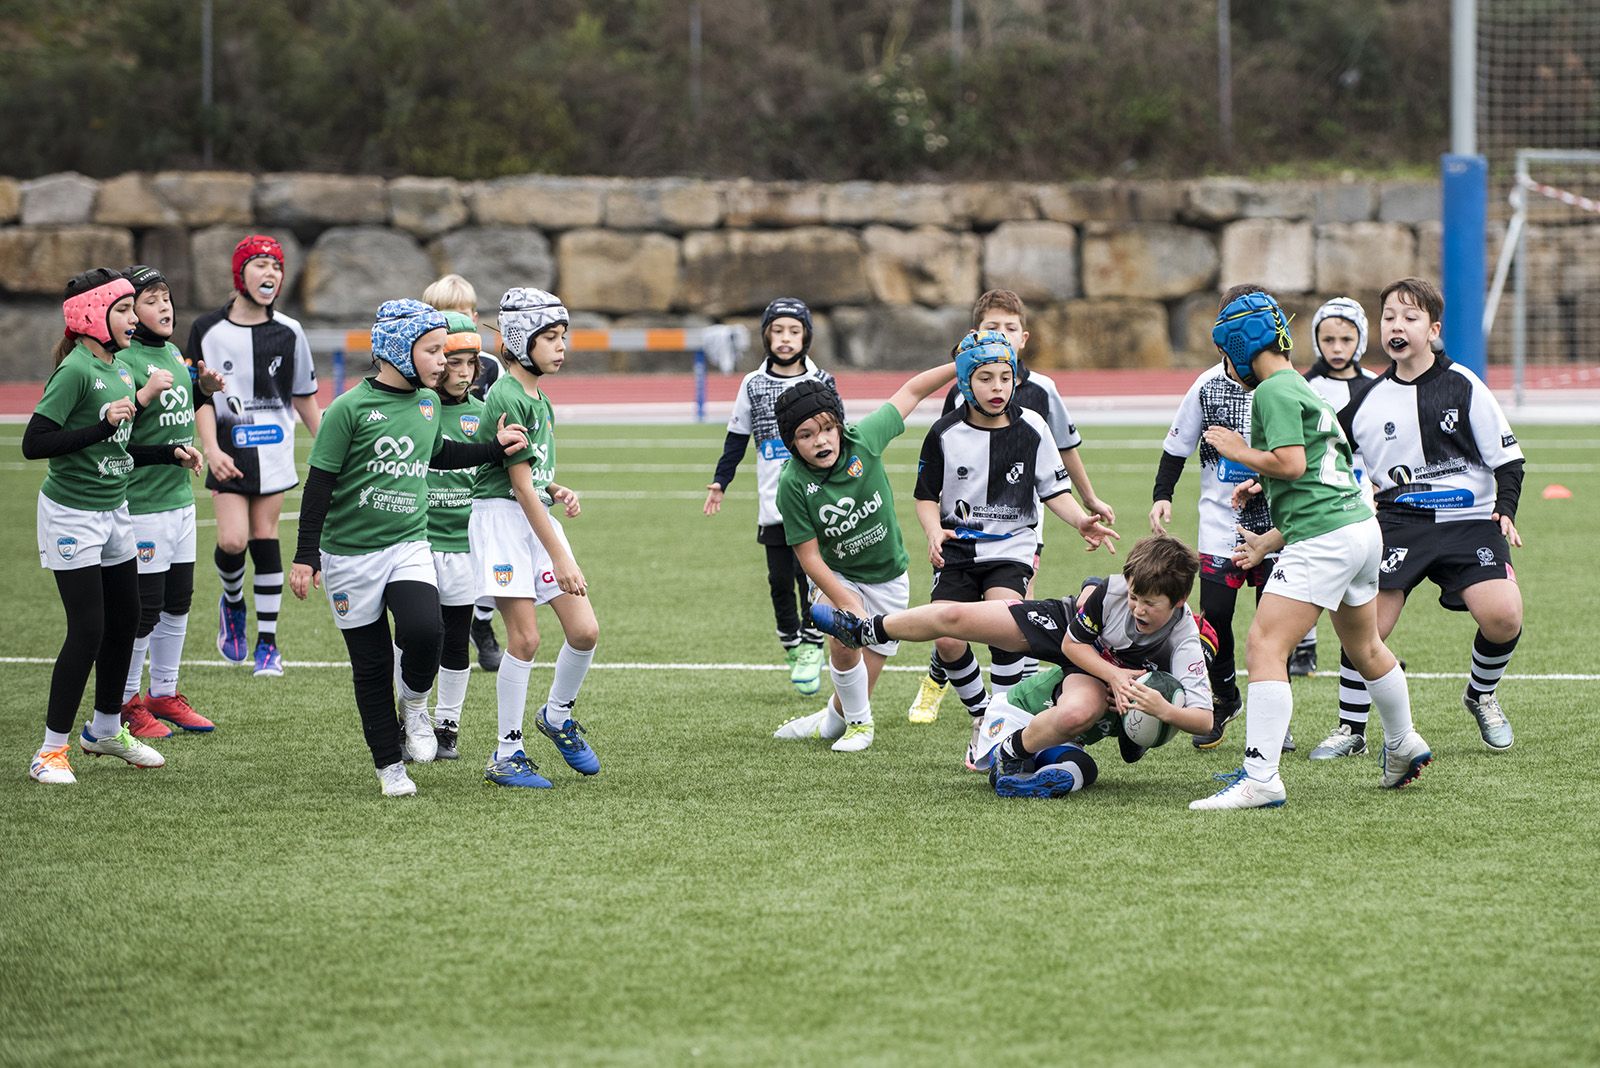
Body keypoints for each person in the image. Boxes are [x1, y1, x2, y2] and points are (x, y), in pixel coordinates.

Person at [1189, 287, 1431, 810]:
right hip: (1359, 530)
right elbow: (1319, 474)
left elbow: (1293, 465)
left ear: (1239, 346)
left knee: (1264, 646)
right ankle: (1403, 741)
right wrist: (1269, 538)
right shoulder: (1301, 385)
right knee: (1365, 648)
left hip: (1326, 539)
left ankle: (1261, 778)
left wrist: (1239, 452)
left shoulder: (1272, 391)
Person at [289, 300, 526, 796]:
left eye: (445, 351)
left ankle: (415, 708)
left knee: (426, 628)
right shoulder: (348, 409)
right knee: (371, 665)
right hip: (348, 556)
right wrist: (306, 555)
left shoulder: (428, 403)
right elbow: (318, 487)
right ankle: (388, 767)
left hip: (407, 543)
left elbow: (437, 451)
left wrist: (492, 446)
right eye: (433, 351)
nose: (444, 362)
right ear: (398, 350)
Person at [810, 533, 1188, 798]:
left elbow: (1206, 711)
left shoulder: (1184, 637)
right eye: (1134, 595)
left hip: (1091, 675)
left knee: (1081, 725)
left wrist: (1154, 710)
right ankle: (865, 630)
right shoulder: (1110, 593)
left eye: (1149, 603)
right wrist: (1113, 671)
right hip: (1071, 631)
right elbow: (1077, 637)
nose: (1137, 606)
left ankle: (1024, 752)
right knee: (954, 617)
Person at [1325, 277, 1525, 757]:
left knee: (1503, 615)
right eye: (1389, 317)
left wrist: (1505, 509)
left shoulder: (1465, 385)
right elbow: (1324, 456)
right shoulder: (1365, 401)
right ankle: (1351, 730)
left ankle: (1481, 695)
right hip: (1399, 522)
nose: (1397, 326)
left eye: (1410, 318)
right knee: (1365, 624)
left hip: (1470, 520)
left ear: (1432, 329)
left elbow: (1509, 460)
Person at [22, 269, 202, 784]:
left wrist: (167, 452)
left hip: (115, 510)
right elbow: (35, 443)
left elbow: (117, 447)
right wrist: (101, 424)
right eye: (122, 310)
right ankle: (50, 751)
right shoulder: (76, 370)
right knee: (89, 628)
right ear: (88, 316)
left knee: (125, 621)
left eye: (131, 309)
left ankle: (104, 730)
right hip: (72, 515)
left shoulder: (121, 369)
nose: (131, 319)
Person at [909, 289, 1116, 725]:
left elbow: (1053, 489)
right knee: (947, 639)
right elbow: (925, 495)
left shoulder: (1034, 426)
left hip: (1012, 544)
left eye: (1004, 378)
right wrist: (932, 530)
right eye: (985, 379)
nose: (997, 387)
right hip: (959, 547)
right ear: (966, 382)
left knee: (1006, 620)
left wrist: (1082, 518)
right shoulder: (944, 433)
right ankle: (982, 714)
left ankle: (1001, 718)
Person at [768, 362, 959, 752]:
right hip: (837, 575)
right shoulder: (792, 484)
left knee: (856, 687)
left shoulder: (864, 439)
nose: (820, 441)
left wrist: (959, 366)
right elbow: (809, 558)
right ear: (792, 444)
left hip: (888, 579)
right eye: (806, 435)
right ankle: (861, 726)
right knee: (842, 636)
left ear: (839, 425)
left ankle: (831, 722)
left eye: (826, 429)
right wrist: (844, 599)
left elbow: (911, 391)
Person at [471, 288, 600, 790]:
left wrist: (554, 486)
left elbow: (530, 476)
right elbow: (516, 489)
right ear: (522, 341)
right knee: (525, 638)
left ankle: (558, 715)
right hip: (503, 523)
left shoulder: (538, 398)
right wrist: (560, 554)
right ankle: (506, 753)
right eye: (550, 337)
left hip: (531, 517)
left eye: (563, 337)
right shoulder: (505, 394)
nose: (561, 346)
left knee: (585, 631)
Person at [189, 235, 321, 677]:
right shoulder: (207, 330)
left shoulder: (290, 331)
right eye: (260, 264)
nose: (270, 274)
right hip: (228, 450)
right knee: (231, 541)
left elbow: (303, 396)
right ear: (239, 273)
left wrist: (326, 443)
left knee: (265, 538)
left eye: (277, 266)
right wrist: (210, 448)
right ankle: (231, 602)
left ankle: (268, 644)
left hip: (274, 451)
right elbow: (200, 398)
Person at [703, 298, 834, 697]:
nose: (785, 339)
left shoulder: (821, 379)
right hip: (773, 502)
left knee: (809, 577)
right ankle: (792, 644)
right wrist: (720, 482)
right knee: (779, 580)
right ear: (766, 336)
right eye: (778, 331)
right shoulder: (753, 384)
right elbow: (736, 437)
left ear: (806, 336)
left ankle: (813, 644)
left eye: (794, 331)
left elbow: (840, 433)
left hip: (814, 500)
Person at [114, 265, 223, 737]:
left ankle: (163, 693)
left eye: (166, 298)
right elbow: (113, 443)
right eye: (151, 300)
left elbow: (180, 411)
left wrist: (203, 390)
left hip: (179, 502)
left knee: (178, 603)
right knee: (144, 609)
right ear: (129, 313)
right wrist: (168, 452)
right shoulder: (125, 362)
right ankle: (122, 702)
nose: (164, 307)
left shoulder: (175, 355)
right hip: (142, 506)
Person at [1150, 354, 1277, 753]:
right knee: (1216, 616)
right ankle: (1224, 697)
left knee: (1274, 623)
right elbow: (1176, 447)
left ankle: (1272, 715)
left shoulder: (1281, 384)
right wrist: (1162, 496)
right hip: (1221, 525)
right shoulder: (1205, 386)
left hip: (1277, 526)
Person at [415, 312, 490, 760]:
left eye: (469, 364)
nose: (462, 373)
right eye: (453, 362)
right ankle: (415, 715)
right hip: (417, 541)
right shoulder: (417, 409)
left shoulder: (483, 415)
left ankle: (448, 724)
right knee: (419, 634)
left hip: (464, 546)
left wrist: (552, 490)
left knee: (456, 635)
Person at [422, 273, 504, 672]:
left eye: (463, 315)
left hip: (475, 484)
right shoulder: (421, 380)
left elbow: (489, 420)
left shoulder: (488, 367)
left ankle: (482, 625)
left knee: (486, 560)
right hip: (433, 500)